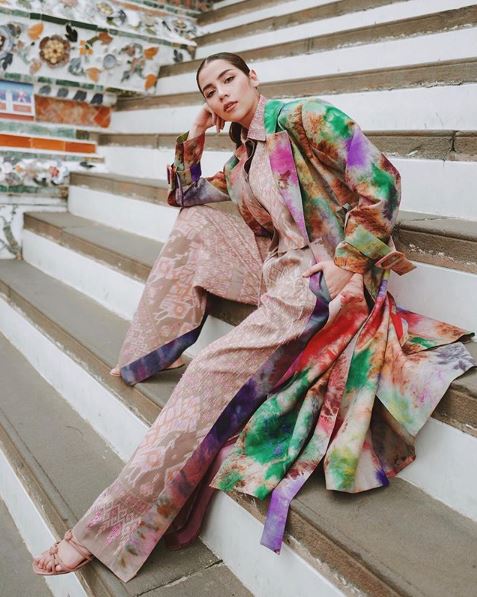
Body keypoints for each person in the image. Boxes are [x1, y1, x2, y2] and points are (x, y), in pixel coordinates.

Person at [33, 53, 475, 581]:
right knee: (194, 224)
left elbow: (382, 181)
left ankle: (101, 530)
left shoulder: (305, 118)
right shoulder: (243, 158)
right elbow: (185, 195)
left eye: (229, 79)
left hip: (321, 276)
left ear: (252, 78)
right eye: (210, 91)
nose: (222, 93)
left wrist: (348, 263)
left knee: (207, 371)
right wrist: (195, 134)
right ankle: (150, 352)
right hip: (275, 269)